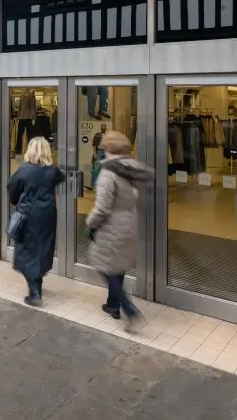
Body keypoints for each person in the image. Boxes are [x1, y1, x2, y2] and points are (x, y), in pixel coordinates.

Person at [86, 130, 153, 332]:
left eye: (104, 148)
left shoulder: (108, 172)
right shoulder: (134, 168)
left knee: (105, 268)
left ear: (108, 149)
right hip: (130, 223)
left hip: (112, 224)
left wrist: (90, 224)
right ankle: (112, 306)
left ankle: (130, 310)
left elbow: (103, 207)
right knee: (117, 266)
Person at [8, 136, 63, 306]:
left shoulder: (23, 170)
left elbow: (13, 191)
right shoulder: (53, 171)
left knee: (25, 252)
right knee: (41, 249)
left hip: (27, 216)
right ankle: (37, 285)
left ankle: (35, 292)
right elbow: (60, 178)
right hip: (47, 216)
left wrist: (17, 200)